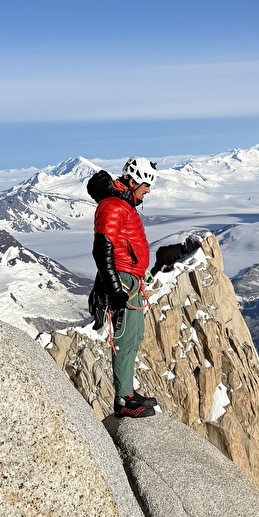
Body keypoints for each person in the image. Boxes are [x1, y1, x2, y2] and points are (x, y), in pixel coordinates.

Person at [88, 157, 159, 418]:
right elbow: (102, 248)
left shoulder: (123, 205)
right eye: (145, 185)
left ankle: (128, 392)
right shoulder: (113, 206)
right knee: (124, 337)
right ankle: (122, 401)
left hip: (130, 280)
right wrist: (114, 287)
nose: (148, 191)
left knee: (133, 336)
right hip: (124, 280)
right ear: (132, 181)